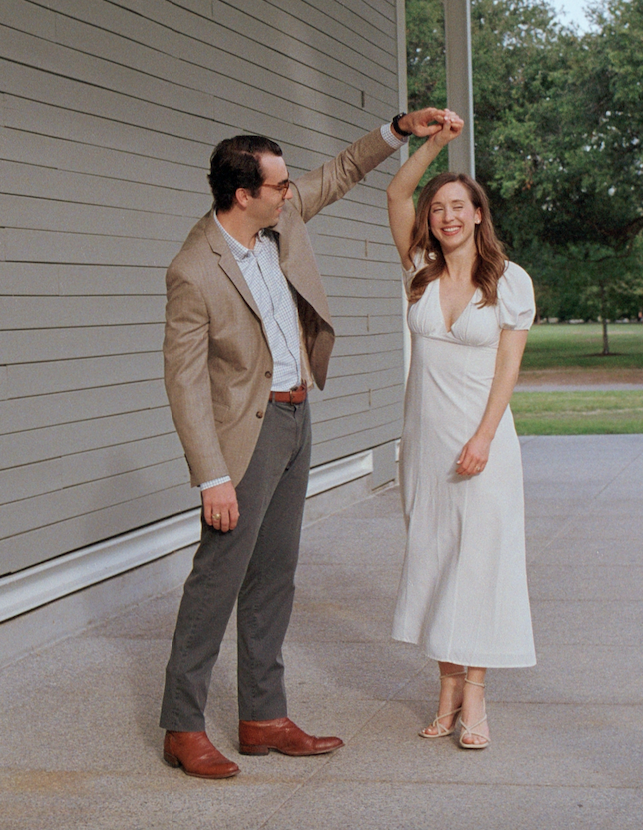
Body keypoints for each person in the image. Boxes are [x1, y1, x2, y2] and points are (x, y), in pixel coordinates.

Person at [159, 107, 445, 780]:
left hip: (295, 418)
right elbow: (185, 383)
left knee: (274, 575)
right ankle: (182, 725)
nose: (292, 192)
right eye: (279, 185)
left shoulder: (279, 221)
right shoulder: (193, 271)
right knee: (217, 579)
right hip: (242, 437)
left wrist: (402, 129)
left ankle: (263, 715)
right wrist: (212, 478)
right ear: (243, 194)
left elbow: (342, 172)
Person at [385, 113, 536, 750]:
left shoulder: (508, 280)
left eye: (459, 206)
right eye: (439, 207)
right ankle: (445, 687)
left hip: (482, 443)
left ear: (478, 214)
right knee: (436, 559)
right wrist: (435, 144)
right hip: (422, 445)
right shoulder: (419, 267)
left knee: (479, 563)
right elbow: (396, 194)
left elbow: (508, 371)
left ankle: (474, 694)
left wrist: (483, 438)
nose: (446, 215)